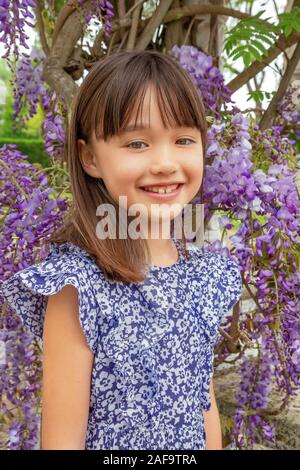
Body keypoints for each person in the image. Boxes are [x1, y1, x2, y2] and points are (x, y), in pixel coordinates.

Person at [0, 50, 242, 450]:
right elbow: (62, 441)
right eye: (137, 143)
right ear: (90, 157)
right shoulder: (77, 288)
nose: (165, 163)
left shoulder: (205, 275)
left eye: (183, 139)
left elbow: (203, 400)